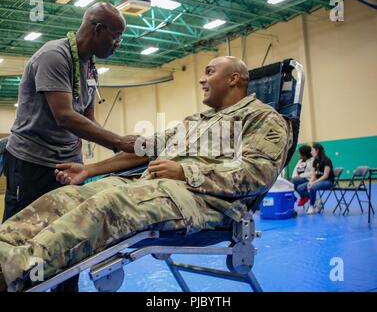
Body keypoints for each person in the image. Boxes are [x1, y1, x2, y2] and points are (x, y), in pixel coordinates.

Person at [0, 56, 292, 292]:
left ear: (234, 79)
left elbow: (258, 173)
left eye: (210, 71)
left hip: (204, 203)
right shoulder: (196, 122)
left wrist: (184, 171)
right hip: (155, 188)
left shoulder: (264, 119)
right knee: (68, 196)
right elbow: (144, 148)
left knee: (111, 204)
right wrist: (89, 169)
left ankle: (13, 271)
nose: (202, 78)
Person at [2, 3, 139, 291]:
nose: (118, 43)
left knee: (69, 236)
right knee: (21, 238)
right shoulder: (55, 56)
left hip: (68, 164)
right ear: (97, 28)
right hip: (32, 163)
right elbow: (64, 115)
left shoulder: (90, 66)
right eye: (116, 35)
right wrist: (118, 143)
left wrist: (107, 154)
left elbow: (88, 119)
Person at [296, 143, 335, 214]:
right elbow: (313, 175)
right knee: (300, 188)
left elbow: (325, 176)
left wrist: (313, 183)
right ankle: (316, 200)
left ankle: (311, 206)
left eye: (312, 150)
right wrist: (310, 182)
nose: (311, 152)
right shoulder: (315, 161)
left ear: (317, 150)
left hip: (328, 182)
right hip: (318, 181)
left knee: (313, 187)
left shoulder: (327, 160)